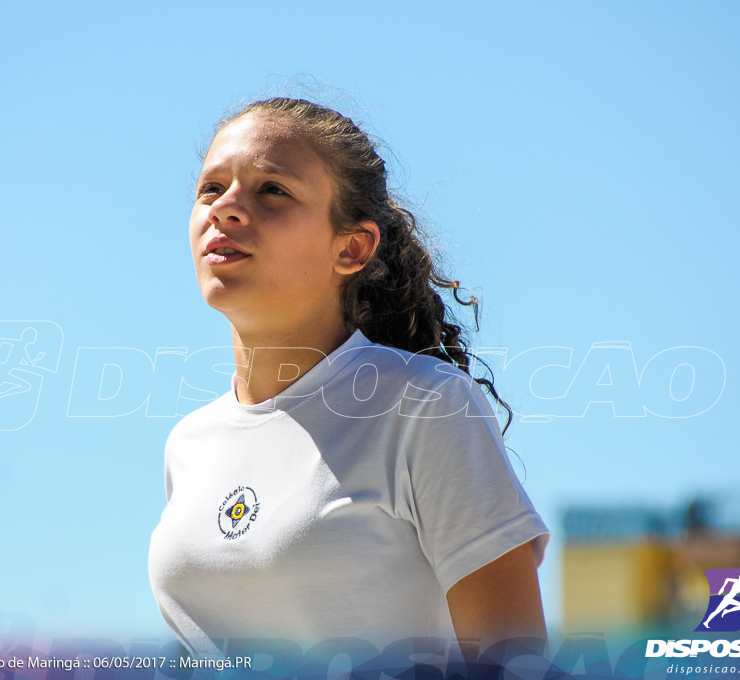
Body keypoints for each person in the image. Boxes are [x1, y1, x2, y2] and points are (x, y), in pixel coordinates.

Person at [148, 97, 549, 664]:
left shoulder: (426, 405)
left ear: (352, 247)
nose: (226, 209)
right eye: (211, 188)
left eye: (273, 190)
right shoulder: (188, 445)